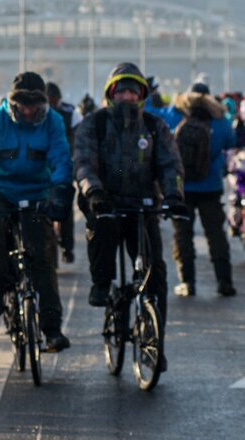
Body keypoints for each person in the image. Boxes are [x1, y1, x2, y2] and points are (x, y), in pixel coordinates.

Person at [73, 62, 185, 372]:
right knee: (102, 242)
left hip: (143, 205)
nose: (126, 96)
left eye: (132, 91)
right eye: (120, 91)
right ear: (110, 94)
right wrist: (93, 191)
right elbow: (83, 162)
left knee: (155, 275)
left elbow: (170, 164)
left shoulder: (154, 126)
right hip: (105, 203)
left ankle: (154, 342)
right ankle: (101, 284)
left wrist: (174, 196)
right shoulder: (93, 125)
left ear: (141, 95)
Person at [0, 71, 73, 352]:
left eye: (34, 106)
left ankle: (51, 329)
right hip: (2, 192)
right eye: (22, 105)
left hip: (37, 193)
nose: (27, 111)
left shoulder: (53, 122)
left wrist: (61, 190)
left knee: (43, 260)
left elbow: (61, 158)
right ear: (13, 103)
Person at [158, 82, 237, 296]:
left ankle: (187, 282)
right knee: (215, 235)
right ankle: (224, 281)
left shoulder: (176, 116)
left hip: (182, 187)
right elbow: (231, 143)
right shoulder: (220, 120)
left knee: (182, 235)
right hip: (211, 187)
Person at [46, 82, 82, 264]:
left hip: (64, 164)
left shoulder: (71, 114)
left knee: (65, 206)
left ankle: (68, 247)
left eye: (53, 100)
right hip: (43, 169)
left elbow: (80, 141)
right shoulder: (35, 114)